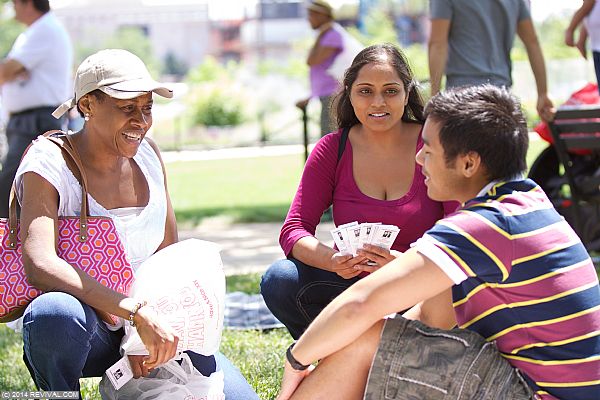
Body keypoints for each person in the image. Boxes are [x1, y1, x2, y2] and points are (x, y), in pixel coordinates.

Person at [276, 85, 600, 400]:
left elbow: (361, 303)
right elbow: (434, 316)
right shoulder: (525, 201)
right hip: (546, 386)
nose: (418, 158)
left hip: (535, 393)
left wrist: (297, 359)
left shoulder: (481, 226)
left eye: (428, 150)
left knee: (369, 337)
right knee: (379, 335)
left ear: (468, 163)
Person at [12, 49, 258, 399]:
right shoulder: (49, 161)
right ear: (87, 106)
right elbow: (40, 264)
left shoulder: (148, 154)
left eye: (147, 108)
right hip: (88, 329)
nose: (141, 121)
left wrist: (149, 335)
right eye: (127, 108)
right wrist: (136, 313)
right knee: (53, 314)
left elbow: (170, 256)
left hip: (149, 328)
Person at [262, 44, 457, 340]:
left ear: (407, 93)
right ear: (349, 94)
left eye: (390, 91)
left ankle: (386, 351)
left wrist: (407, 262)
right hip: (354, 290)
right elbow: (294, 230)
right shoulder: (331, 149)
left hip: (422, 289)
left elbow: (462, 231)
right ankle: (336, 356)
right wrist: (332, 261)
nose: (378, 102)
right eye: (365, 91)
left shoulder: (436, 145)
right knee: (280, 279)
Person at [0, 0, 72, 217]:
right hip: (32, 119)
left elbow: (5, 71)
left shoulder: (44, 29)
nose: (12, 7)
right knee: (21, 187)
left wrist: (12, 70)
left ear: (28, 3)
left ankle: (12, 245)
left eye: (14, 3)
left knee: (12, 186)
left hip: (36, 120)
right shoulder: (38, 30)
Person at [428, 0, 554, 122]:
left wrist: (434, 98)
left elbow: (437, 44)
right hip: (501, 97)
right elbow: (532, 41)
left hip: (461, 98)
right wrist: (542, 93)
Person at [296, 0, 344, 138]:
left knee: (330, 139)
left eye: (312, 14)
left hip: (333, 95)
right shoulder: (326, 35)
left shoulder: (332, 35)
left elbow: (311, 61)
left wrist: (320, 36)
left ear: (322, 15)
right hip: (327, 95)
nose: (309, 19)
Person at [565, 0, 600, 91]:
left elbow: (587, 6)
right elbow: (589, 15)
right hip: (597, 48)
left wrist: (570, 30)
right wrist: (581, 39)